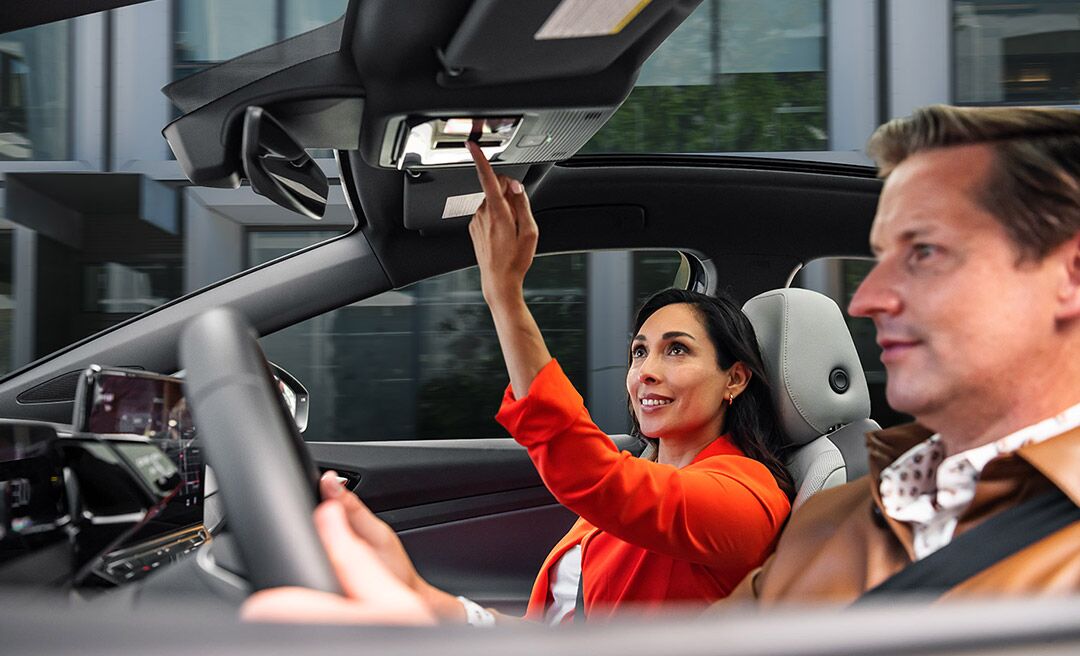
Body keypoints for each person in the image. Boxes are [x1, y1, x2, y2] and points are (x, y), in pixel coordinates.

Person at [243, 141, 794, 624]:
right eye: (638, 351)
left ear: (734, 378)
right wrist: (419, 595)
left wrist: (505, 295)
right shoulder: (649, 478)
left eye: (677, 349)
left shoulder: (746, 500)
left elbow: (593, 475)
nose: (645, 370)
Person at [715, 104, 1080, 605]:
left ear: (1070, 275)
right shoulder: (827, 518)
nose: (865, 301)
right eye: (882, 256)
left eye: (924, 252)